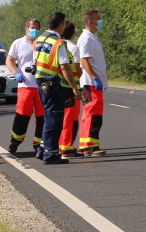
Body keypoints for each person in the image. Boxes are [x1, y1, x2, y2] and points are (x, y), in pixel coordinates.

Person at [33, 12, 82, 164]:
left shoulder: (40, 39)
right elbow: (64, 67)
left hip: (41, 82)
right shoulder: (58, 42)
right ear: (61, 24)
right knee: (54, 119)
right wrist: (74, 88)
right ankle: (51, 154)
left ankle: (42, 149)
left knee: (48, 117)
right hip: (54, 84)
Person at [6, 18, 45, 155]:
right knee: (22, 116)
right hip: (25, 86)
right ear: (26, 28)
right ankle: (15, 142)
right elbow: (9, 59)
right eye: (32, 27)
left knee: (42, 118)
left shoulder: (43, 43)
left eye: (37, 28)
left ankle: (39, 145)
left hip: (42, 86)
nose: (34, 30)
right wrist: (16, 72)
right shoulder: (18, 43)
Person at [77, 9, 108, 157]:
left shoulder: (93, 37)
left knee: (93, 113)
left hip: (94, 82)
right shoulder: (86, 39)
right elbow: (84, 60)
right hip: (90, 82)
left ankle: (88, 145)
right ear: (90, 21)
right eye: (98, 18)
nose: (100, 20)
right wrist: (94, 78)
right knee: (92, 114)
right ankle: (90, 147)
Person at [58, 22, 83, 158]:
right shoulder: (73, 48)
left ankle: (61, 145)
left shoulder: (58, 45)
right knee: (71, 119)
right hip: (72, 88)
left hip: (60, 87)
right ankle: (67, 147)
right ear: (72, 33)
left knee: (62, 118)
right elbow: (78, 70)